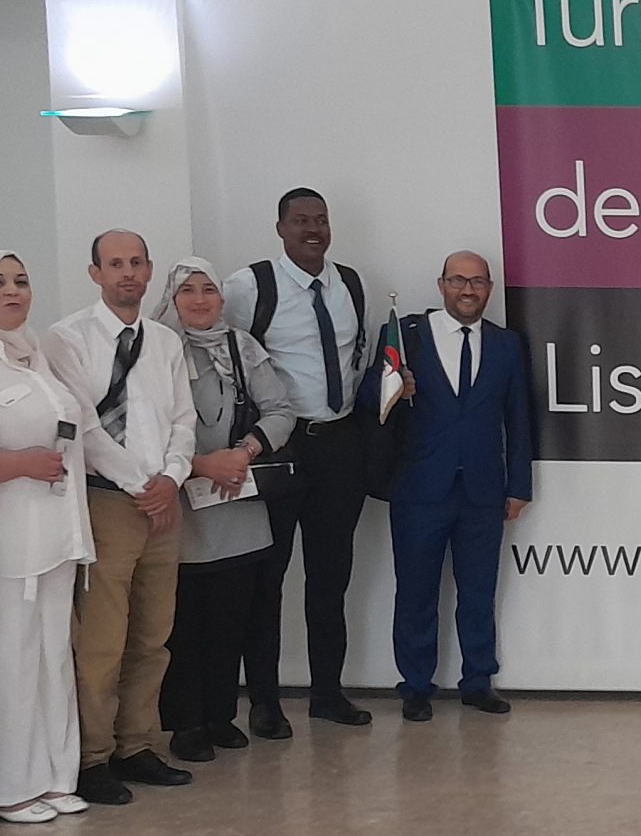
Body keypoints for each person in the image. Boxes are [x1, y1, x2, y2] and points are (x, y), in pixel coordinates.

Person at [0, 251, 94, 825]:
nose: (12, 292)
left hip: (55, 533)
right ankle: (6, 785)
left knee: (52, 657)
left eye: (21, 281)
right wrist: (21, 463)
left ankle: (55, 776)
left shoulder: (34, 355)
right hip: (1, 542)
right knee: (6, 661)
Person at [46, 230, 197, 806]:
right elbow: (83, 427)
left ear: (150, 269)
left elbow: (183, 420)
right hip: (108, 501)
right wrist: (142, 485)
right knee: (102, 641)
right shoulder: (68, 338)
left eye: (136, 263)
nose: (127, 273)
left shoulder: (165, 341)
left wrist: (171, 480)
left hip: (164, 504)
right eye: (115, 264)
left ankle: (137, 745)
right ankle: (92, 757)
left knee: (153, 636)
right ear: (95, 273)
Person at [223, 187, 374, 734]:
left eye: (321, 220)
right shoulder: (251, 286)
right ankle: (264, 701)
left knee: (331, 578)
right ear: (281, 227)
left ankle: (327, 693)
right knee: (268, 578)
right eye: (301, 220)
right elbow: (224, 351)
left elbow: (355, 360)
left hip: (339, 443)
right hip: (280, 447)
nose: (313, 229)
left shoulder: (349, 283)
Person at [153, 257, 295, 760]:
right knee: (185, 621)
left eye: (208, 289)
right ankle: (185, 723)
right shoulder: (155, 348)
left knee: (232, 617)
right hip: (182, 502)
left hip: (239, 499)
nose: (199, 299)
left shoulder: (242, 346)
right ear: (172, 299)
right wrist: (198, 463)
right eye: (187, 290)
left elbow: (280, 410)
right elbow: (143, 426)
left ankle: (219, 714)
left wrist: (245, 452)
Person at [386, 251, 536, 721]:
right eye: (458, 280)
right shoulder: (407, 335)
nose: (467, 290)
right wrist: (394, 389)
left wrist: (520, 485)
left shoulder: (506, 344)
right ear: (441, 285)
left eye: (477, 282)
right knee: (416, 592)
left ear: (489, 288)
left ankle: (478, 682)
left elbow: (519, 418)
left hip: (483, 490)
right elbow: (372, 398)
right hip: (419, 489)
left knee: (478, 592)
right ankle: (415, 685)